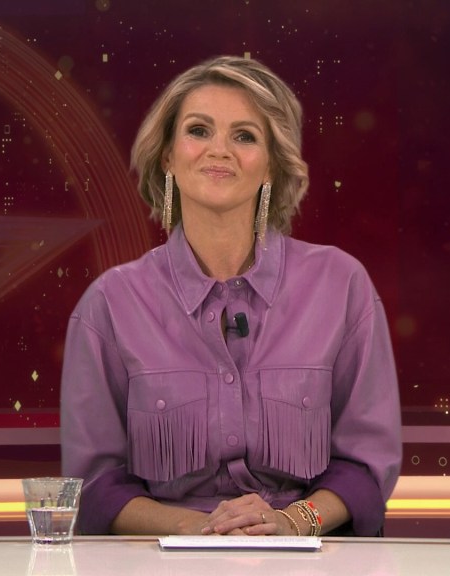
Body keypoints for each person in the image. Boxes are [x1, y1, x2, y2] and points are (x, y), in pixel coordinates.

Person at [60, 55, 401, 537]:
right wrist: (196, 528)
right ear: (168, 156)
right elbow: (95, 487)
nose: (219, 150)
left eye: (244, 136)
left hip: (305, 558)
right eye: (199, 130)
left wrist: (290, 522)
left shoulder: (341, 284)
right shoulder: (111, 303)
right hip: (162, 558)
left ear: (271, 166)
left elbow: (365, 468)